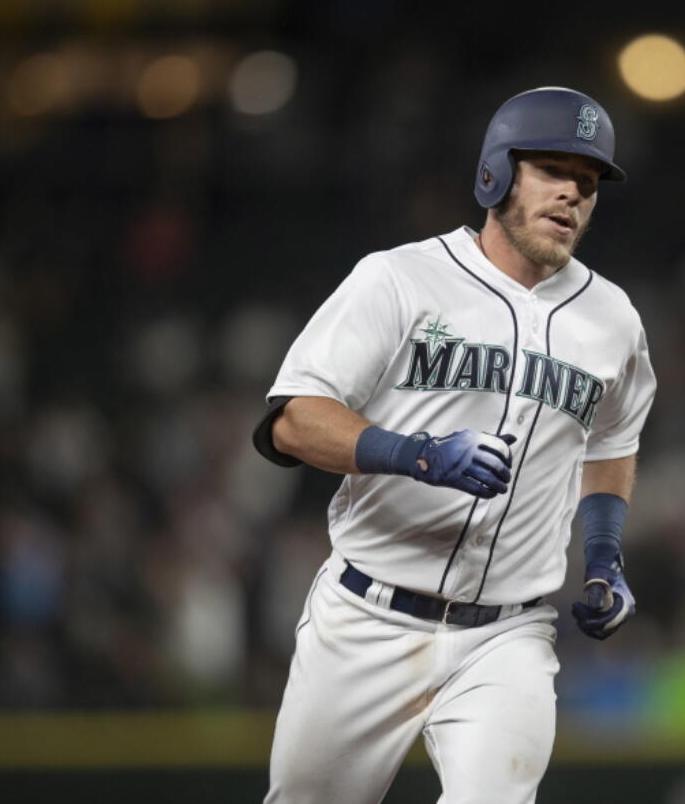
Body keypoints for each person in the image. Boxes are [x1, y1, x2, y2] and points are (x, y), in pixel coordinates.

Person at [252, 86, 656, 804]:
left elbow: (613, 438)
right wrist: (416, 453)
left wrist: (603, 556)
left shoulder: (613, 318)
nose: (572, 195)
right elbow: (293, 419)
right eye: (553, 172)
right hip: (367, 616)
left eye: (588, 184)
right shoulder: (400, 279)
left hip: (509, 633)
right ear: (496, 174)